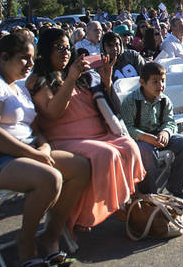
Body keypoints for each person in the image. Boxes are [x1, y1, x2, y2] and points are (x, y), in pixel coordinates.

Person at [0, 31, 89, 267]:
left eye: (32, 58)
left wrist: (44, 146)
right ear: (4, 57)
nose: (30, 64)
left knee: (81, 167)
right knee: (49, 178)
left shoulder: (17, 87)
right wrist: (34, 155)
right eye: (24, 58)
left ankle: (50, 237)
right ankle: (25, 244)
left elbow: (34, 128)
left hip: (21, 155)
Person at [27, 29, 144, 232]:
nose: (64, 52)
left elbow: (107, 108)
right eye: (58, 48)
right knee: (106, 155)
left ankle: (117, 205)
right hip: (65, 138)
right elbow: (53, 112)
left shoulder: (83, 76)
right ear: (45, 51)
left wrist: (106, 83)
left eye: (66, 47)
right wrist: (71, 78)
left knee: (129, 146)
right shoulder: (39, 80)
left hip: (96, 134)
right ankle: (79, 217)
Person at [118, 62, 183, 199]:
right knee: (146, 152)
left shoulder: (165, 100)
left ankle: (176, 187)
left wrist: (166, 132)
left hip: (159, 136)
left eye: (163, 81)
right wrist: (144, 137)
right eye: (155, 82)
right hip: (139, 139)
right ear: (142, 82)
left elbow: (170, 122)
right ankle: (150, 192)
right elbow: (126, 127)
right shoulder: (130, 101)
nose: (160, 85)